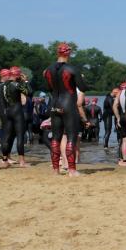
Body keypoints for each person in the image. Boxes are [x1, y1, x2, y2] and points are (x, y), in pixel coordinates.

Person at [43, 42, 89, 176]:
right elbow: (83, 87)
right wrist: (81, 79)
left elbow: (49, 88)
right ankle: (72, 170)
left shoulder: (48, 70)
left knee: (56, 138)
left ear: (57, 52)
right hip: (68, 104)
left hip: (54, 105)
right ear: (69, 53)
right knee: (71, 137)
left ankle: (55, 169)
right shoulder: (72, 69)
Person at [0, 66, 30, 168]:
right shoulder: (16, 84)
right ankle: (22, 161)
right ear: (17, 75)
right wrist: (25, 81)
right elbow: (29, 92)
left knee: (6, 136)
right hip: (17, 111)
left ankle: (5, 160)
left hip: (7, 111)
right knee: (20, 135)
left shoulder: (3, 85)